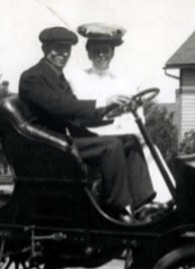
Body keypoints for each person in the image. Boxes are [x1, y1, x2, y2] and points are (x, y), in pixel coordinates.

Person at [18, 26, 156, 223]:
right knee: (112, 146)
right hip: (50, 147)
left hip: (66, 141)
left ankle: (143, 205)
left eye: (66, 49)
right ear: (45, 49)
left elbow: (76, 116)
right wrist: (102, 102)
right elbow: (62, 107)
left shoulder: (58, 78)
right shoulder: (32, 77)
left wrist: (111, 112)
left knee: (130, 141)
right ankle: (119, 210)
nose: (62, 54)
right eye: (57, 48)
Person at [68, 22, 174, 206]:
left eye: (106, 50)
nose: (101, 55)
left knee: (147, 148)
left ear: (112, 53)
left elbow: (135, 112)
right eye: (96, 50)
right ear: (89, 53)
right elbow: (76, 111)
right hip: (93, 135)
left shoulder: (123, 82)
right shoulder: (76, 78)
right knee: (123, 145)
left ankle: (157, 202)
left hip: (121, 133)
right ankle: (128, 206)